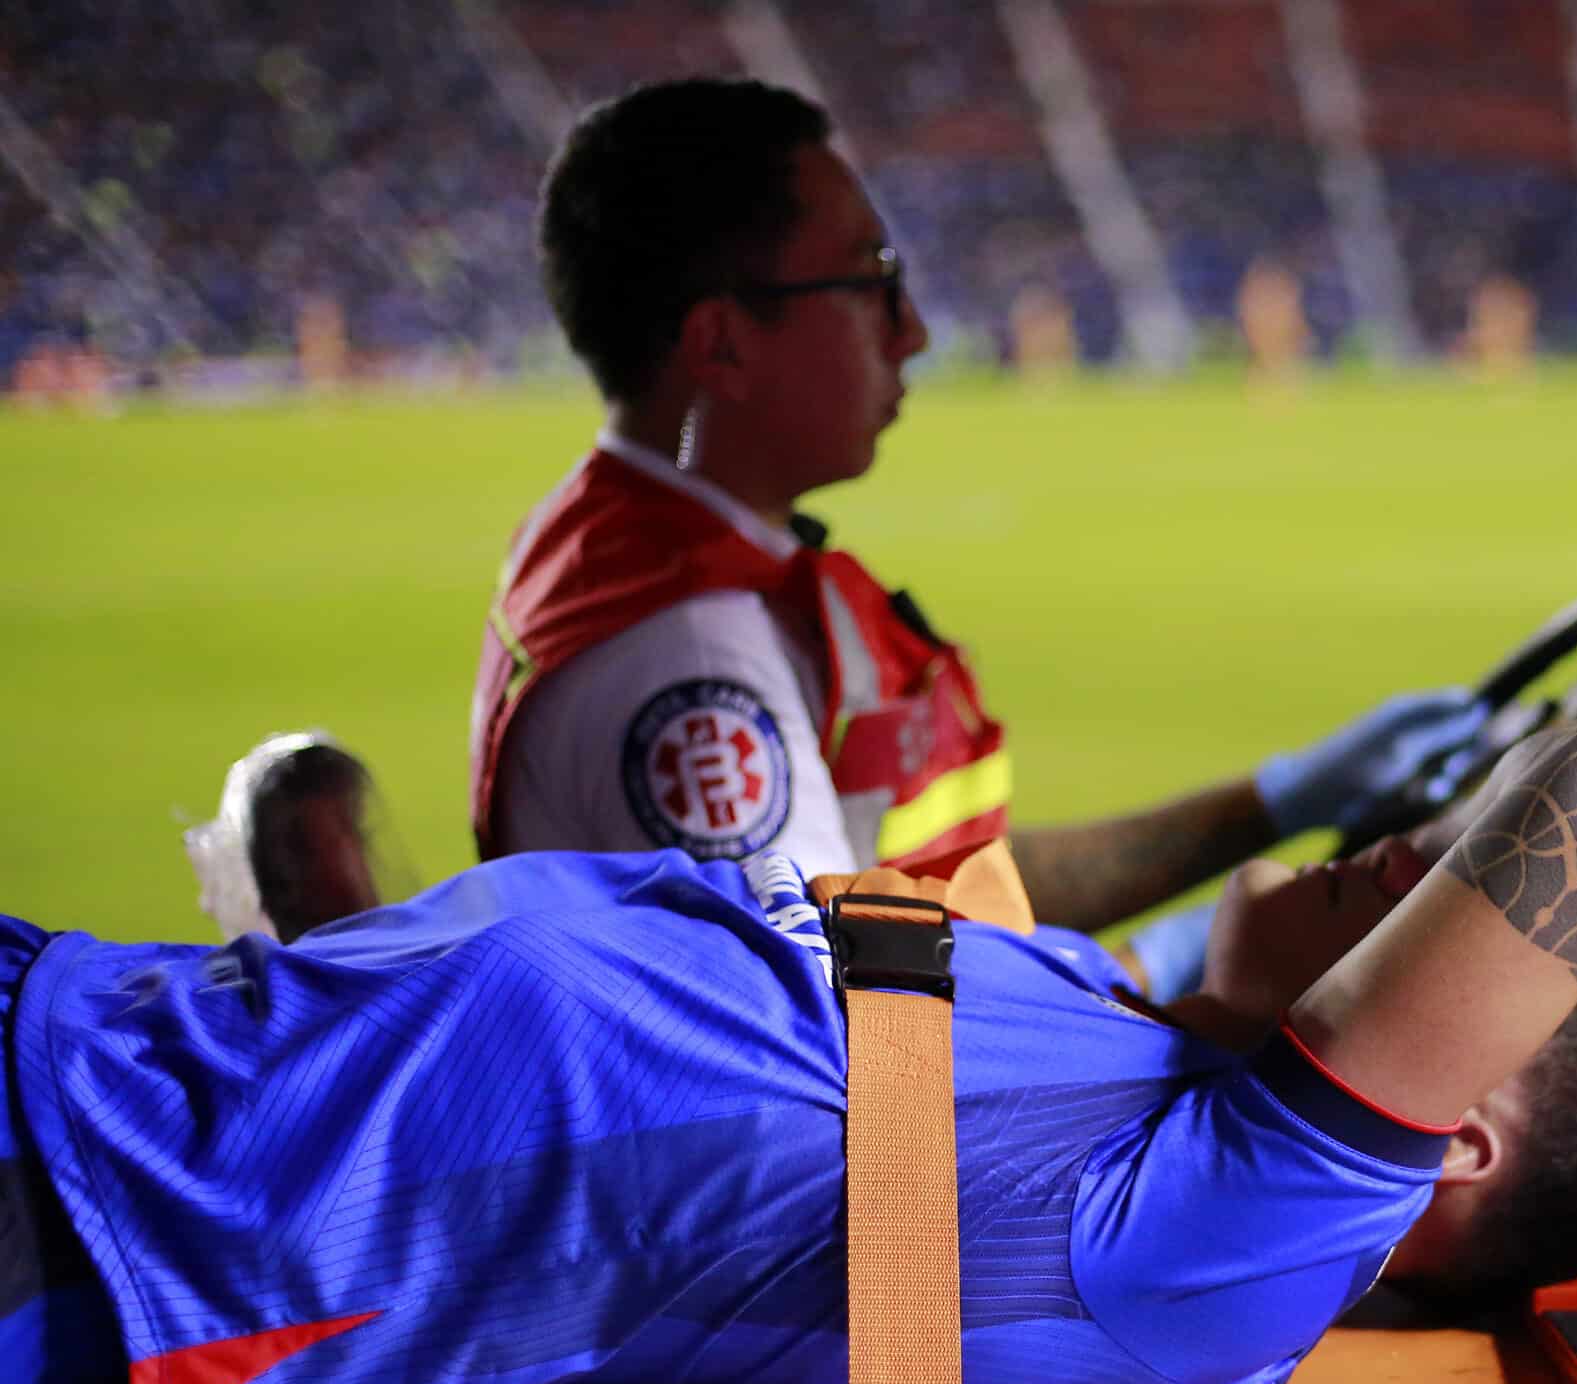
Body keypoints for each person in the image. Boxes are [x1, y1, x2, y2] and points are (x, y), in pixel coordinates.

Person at [3, 710, 1577, 1384]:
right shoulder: (1111, 1016)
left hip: (106, 1219)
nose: (1404, 866)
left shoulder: (1230, 1245)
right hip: (97, 1033)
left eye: (1431, 903)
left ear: (1444, 1136)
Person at [473, 78, 1481, 999]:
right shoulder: (690, 660)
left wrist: (1268, 804)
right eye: (868, 280)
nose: (909, 330)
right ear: (722, 341)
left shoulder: (649, 548)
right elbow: (834, 1053)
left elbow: (930, 894)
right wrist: (1166, 983)